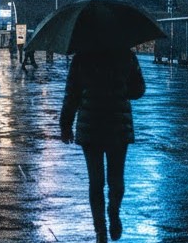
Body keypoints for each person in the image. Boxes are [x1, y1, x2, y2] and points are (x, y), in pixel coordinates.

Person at [60, 46, 146, 243]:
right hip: (118, 125)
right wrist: (122, 87)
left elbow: (71, 93)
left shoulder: (82, 57)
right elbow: (139, 89)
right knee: (116, 177)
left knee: (95, 181)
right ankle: (114, 212)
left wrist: (65, 125)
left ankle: (100, 229)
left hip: (91, 125)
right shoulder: (126, 55)